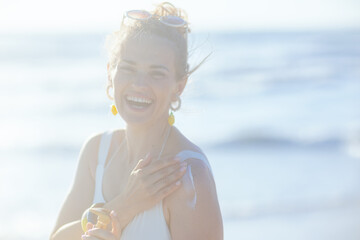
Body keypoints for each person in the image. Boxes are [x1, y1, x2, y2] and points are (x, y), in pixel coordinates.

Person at [50, 2, 223, 239]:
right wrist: (124, 206)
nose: (139, 84)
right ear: (111, 73)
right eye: (128, 69)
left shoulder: (189, 175)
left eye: (157, 73)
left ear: (179, 86)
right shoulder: (96, 153)